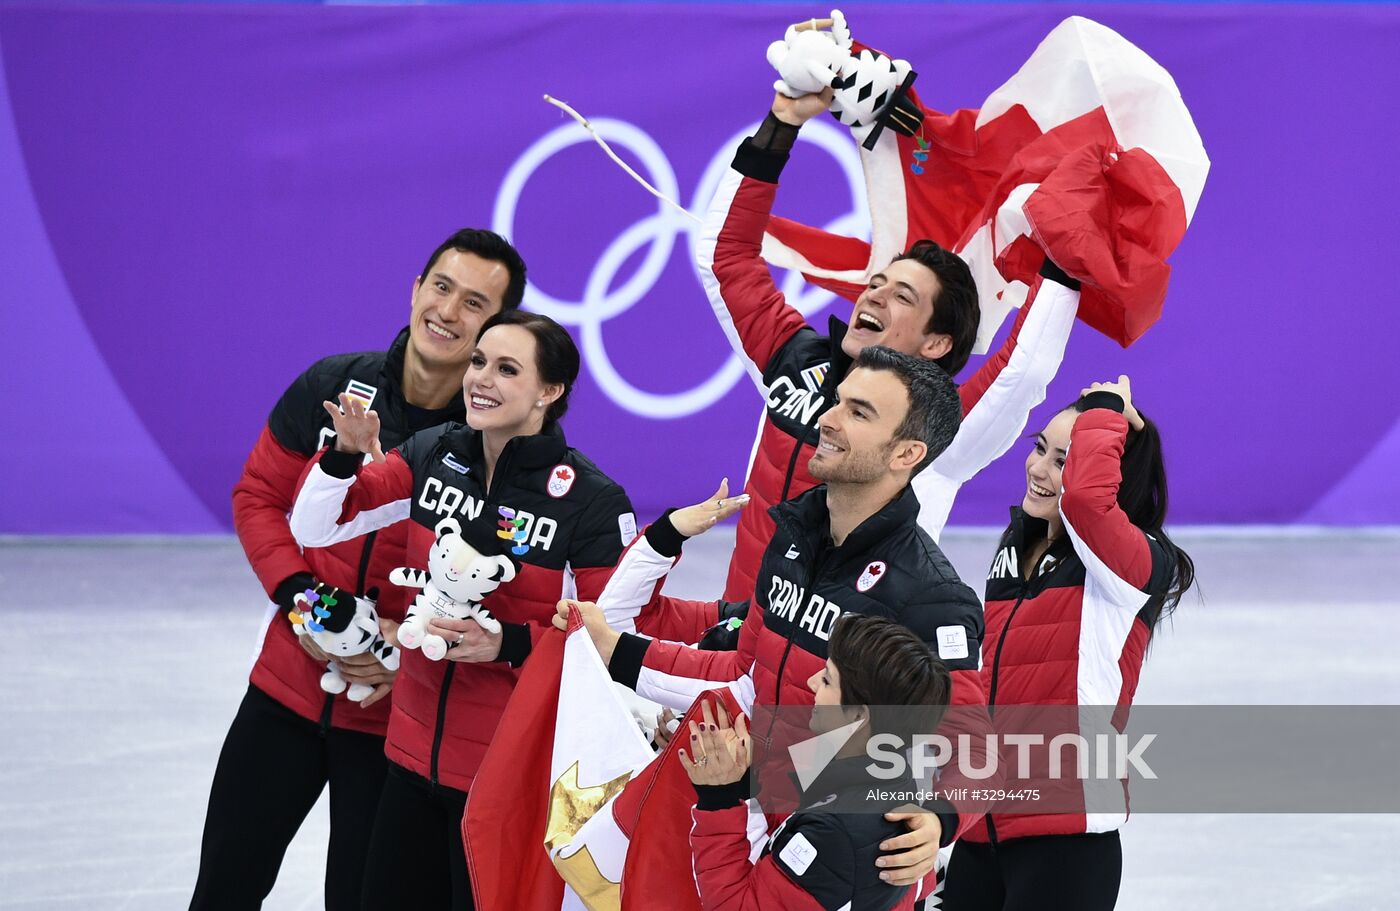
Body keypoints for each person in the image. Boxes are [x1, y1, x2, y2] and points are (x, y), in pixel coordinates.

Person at [563, 345, 994, 892]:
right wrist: (614, 651)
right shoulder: (793, 537)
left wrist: (939, 818)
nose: (827, 419)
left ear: (906, 453)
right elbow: (744, 670)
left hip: (832, 864)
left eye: (859, 413)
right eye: (837, 401)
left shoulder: (932, 595)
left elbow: (975, 746)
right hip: (741, 832)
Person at [190, 228, 526, 911]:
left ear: (497, 329)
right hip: (285, 691)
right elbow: (259, 496)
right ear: (415, 288)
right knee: (223, 889)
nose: (447, 311)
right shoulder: (332, 386)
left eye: (474, 303)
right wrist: (305, 605)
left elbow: (505, 589)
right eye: (441, 287)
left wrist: (406, 650)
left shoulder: (503, 446)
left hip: (397, 726)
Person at [288, 310, 635, 909]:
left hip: (505, 783)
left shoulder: (591, 502)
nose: (481, 378)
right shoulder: (433, 453)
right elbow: (316, 527)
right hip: (407, 763)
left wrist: (509, 644)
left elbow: (615, 641)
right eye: (478, 362)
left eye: (507, 369)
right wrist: (343, 456)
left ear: (549, 391)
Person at [696, 76, 1083, 604]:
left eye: (902, 296)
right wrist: (782, 124)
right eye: (876, 284)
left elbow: (1025, 367)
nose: (873, 296)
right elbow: (725, 259)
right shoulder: (794, 359)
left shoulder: (939, 422)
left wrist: (1070, 243)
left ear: (937, 343)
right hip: (741, 640)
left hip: (852, 655)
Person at [940, 376, 1196, 910]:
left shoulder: (1138, 563)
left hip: (1066, 839)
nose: (1038, 470)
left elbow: (1086, 504)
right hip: (980, 829)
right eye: (1040, 449)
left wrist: (1106, 410)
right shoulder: (1019, 547)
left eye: (1063, 460)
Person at [683, 614, 951, 911]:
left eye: (826, 679)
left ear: (859, 715)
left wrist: (718, 799)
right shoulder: (897, 779)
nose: (811, 683)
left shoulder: (833, 832)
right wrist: (745, 783)